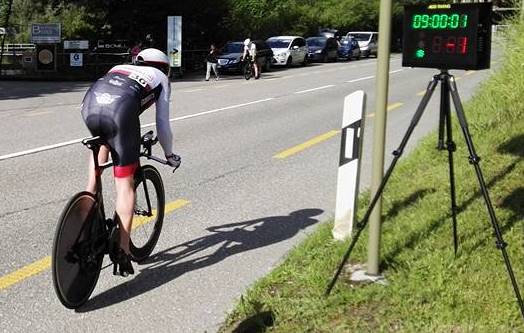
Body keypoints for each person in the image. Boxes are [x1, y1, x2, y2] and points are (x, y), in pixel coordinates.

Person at [80, 48, 181, 276]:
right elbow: (163, 124)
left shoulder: (120, 68)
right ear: (164, 67)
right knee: (125, 186)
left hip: (90, 106)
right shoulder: (161, 78)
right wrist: (169, 154)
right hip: (121, 113)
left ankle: (87, 208)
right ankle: (123, 250)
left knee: (103, 145)